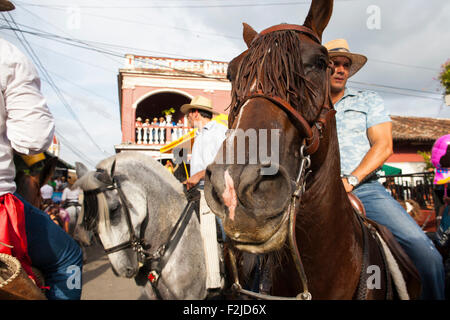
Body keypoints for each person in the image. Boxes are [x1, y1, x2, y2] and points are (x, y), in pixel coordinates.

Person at [324, 38, 445, 299]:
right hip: (317, 193)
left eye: (345, 65)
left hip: (365, 189)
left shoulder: (368, 100)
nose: (340, 69)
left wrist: (352, 180)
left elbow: (383, 145)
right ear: (322, 67)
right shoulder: (308, 105)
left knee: (426, 253)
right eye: (333, 64)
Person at [0, 1, 82, 300]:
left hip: (57, 204)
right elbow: (31, 140)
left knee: (71, 215)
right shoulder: (7, 56)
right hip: (2, 203)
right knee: (69, 254)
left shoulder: (63, 189)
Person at [180, 95, 228, 293]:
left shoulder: (219, 131)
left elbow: (226, 158)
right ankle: (213, 282)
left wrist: (199, 175)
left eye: (189, 114)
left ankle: (224, 280)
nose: (187, 118)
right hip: (201, 190)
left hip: (218, 188)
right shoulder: (199, 135)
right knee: (205, 235)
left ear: (195, 113)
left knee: (223, 236)